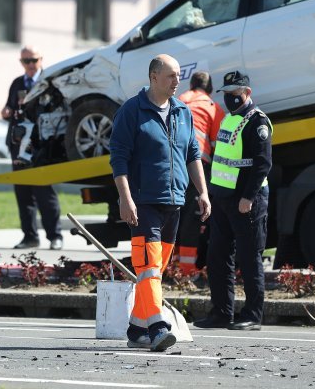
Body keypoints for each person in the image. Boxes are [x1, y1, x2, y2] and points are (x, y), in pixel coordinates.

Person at [110, 54, 211, 352]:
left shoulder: (183, 111)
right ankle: (157, 327)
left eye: (179, 75)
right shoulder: (132, 111)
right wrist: (125, 198)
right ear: (154, 77)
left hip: (174, 202)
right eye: (170, 76)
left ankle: (135, 328)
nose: (177, 80)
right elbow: (118, 158)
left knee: (154, 270)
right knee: (149, 267)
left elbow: (193, 154)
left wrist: (203, 192)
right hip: (143, 204)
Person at [193, 70, 273, 331]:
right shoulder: (228, 119)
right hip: (224, 199)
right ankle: (221, 313)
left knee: (250, 259)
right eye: (226, 94)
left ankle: (252, 315)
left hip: (246, 202)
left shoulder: (257, 122)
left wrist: (248, 197)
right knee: (217, 257)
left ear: (247, 93)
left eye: (234, 94)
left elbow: (262, 165)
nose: (229, 99)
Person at [1, 46, 63, 250]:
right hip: (18, 144)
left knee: (44, 191)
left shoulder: (48, 81)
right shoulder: (17, 83)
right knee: (23, 191)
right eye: (24, 61)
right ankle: (29, 236)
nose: (29, 65)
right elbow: (10, 108)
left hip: (40, 145)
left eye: (32, 60)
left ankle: (55, 235)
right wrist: (8, 110)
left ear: (40, 60)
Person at [176, 71, 225, 275]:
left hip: (174, 163)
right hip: (196, 166)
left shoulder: (179, 100)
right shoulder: (213, 108)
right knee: (192, 217)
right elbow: (217, 143)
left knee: (172, 214)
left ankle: (171, 265)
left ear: (191, 85)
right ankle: (187, 269)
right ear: (210, 89)